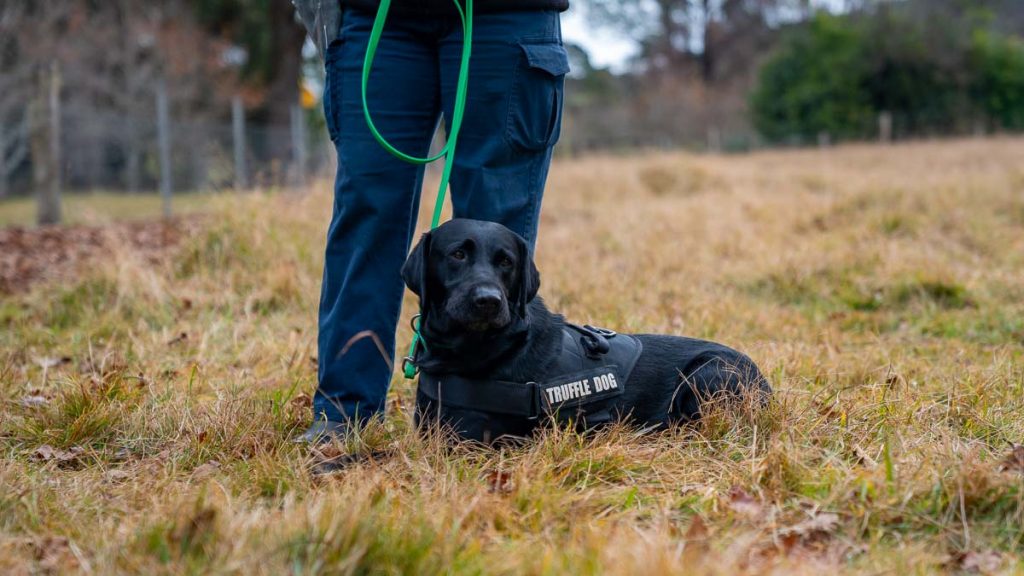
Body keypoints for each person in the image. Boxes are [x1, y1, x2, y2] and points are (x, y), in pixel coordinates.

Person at [293, 0, 571, 442]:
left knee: (495, 235)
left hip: (508, 13)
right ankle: (345, 416)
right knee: (367, 218)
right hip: (374, 19)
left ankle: (486, 419)